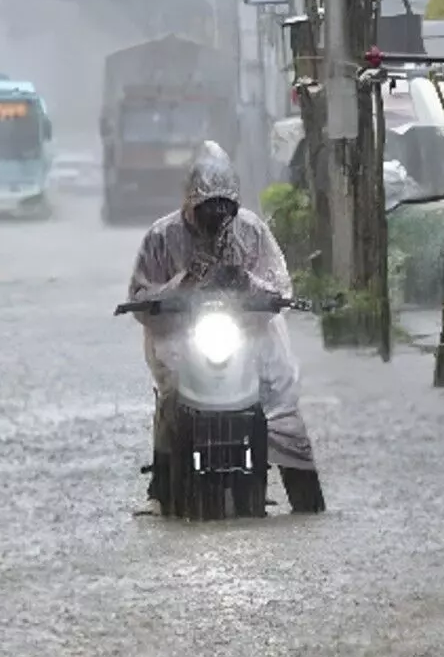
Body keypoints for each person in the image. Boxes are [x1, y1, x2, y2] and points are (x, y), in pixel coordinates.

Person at [126, 142, 326, 514]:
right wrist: (180, 286)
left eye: (224, 206)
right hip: (183, 336)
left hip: (248, 333)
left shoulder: (252, 231)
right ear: (189, 202)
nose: (217, 215)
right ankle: (163, 488)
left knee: (280, 393)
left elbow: (280, 285)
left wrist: (247, 282)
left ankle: (306, 498)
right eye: (208, 207)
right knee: (173, 391)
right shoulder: (161, 237)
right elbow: (139, 292)